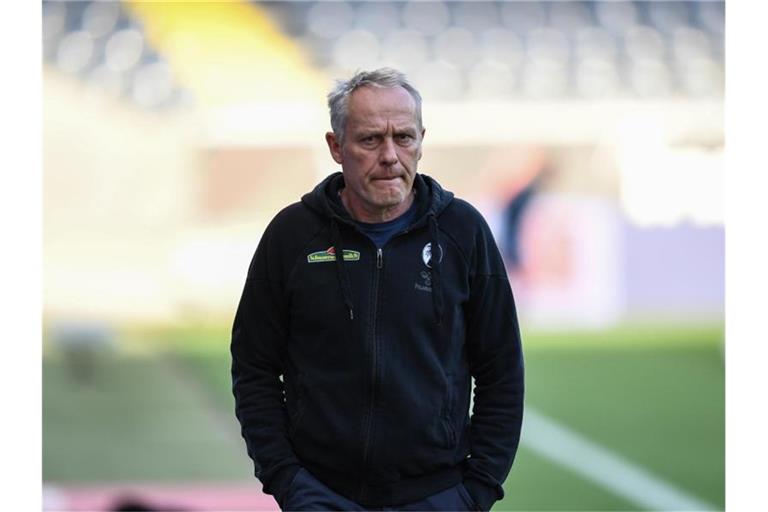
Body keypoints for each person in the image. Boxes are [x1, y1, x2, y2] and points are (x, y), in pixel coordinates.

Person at [231, 68, 524, 511]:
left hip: (439, 496)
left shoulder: (464, 233)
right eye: (370, 140)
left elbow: (501, 370)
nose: (390, 155)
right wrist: (287, 479)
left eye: (404, 138)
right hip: (322, 494)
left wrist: (477, 489)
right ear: (336, 146)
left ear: (422, 140)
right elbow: (254, 365)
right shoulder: (292, 236)